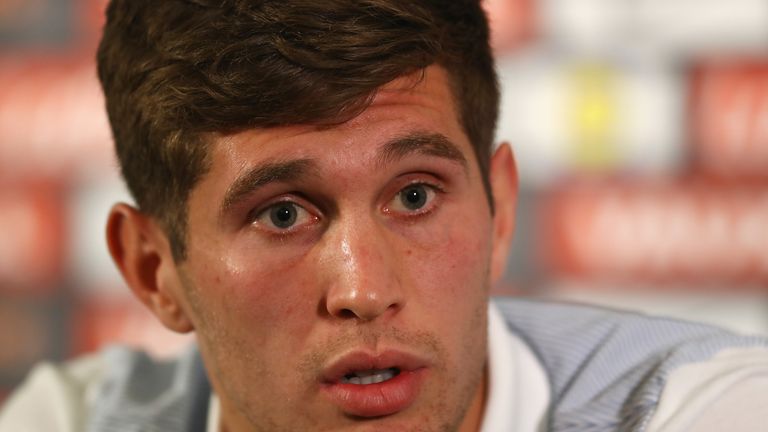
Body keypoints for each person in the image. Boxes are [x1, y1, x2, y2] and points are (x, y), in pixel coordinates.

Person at [2, 1, 768, 431]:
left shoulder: (708, 411)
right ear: (153, 269)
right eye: (282, 214)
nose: (364, 292)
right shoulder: (72, 423)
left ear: (498, 213)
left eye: (414, 196)